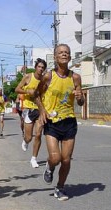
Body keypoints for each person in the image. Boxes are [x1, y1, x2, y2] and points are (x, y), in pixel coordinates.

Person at [35, 44, 84, 201]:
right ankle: (49, 167)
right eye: (61, 52)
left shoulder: (75, 78)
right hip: (52, 122)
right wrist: (42, 111)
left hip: (69, 121)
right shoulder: (48, 76)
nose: (64, 54)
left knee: (66, 159)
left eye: (67, 53)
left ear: (70, 57)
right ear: (55, 57)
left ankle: (60, 187)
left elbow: (81, 101)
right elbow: (36, 94)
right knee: (55, 158)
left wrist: (80, 97)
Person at [15, 58, 47, 168]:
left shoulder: (45, 79)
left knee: (38, 134)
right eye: (39, 66)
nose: (41, 69)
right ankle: (25, 141)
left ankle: (34, 158)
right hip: (28, 109)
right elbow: (17, 89)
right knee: (29, 137)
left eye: (43, 67)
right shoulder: (28, 77)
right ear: (35, 67)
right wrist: (27, 91)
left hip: (39, 109)